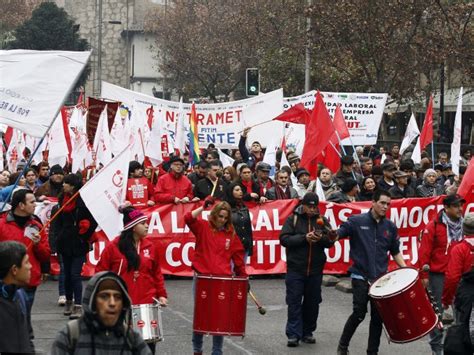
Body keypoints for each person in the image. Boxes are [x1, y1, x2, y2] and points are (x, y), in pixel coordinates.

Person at [336, 190, 407, 355]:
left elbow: (395, 252)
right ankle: (343, 346)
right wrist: (332, 235)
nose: (385, 207)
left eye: (388, 204)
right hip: (360, 276)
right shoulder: (356, 221)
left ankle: (372, 352)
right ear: (373, 202)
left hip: (381, 280)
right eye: (382, 203)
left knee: (377, 318)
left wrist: (406, 271)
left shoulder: (390, 226)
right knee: (359, 314)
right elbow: (338, 234)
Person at [96, 206, 168, 354]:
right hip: (121, 305)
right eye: (143, 223)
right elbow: (100, 272)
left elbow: (157, 273)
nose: (147, 225)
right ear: (133, 227)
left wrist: (162, 295)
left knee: (148, 346)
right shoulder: (114, 247)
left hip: (146, 302)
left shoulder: (150, 246)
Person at [185, 201, 247, 355]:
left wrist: (244, 279)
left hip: (222, 280)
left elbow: (239, 259)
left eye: (225, 218)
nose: (222, 220)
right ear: (214, 215)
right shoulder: (203, 227)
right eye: (220, 216)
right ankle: (197, 350)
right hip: (203, 278)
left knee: (219, 316)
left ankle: (217, 351)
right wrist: (203, 206)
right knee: (200, 314)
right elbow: (188, 218)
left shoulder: (231, 234)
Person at [280, 192, 336, 347]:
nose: (311, 209)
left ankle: (307, 332)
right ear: (302, 205)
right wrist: (304, 238)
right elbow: (284, 239)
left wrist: (323, 238)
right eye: (309, 206)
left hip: (315, 270)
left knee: (313, 303)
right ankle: (293, 334)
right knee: (294, 302)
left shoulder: (322, 220)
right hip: (296, 269)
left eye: (314, 206)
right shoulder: (293, 219)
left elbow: (330, 242)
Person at [51, 271, 152, 355]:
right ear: (92, 301)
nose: (112, 303)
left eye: (117, 297)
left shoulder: (132, 338)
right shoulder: (70, 335)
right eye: (104, 296)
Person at [419, 194, 466, 355]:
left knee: (461, 311)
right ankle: (436, 347)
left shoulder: (464, 225)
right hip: (438, 275)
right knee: (437, 312)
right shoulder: (433, 226)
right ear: (446, 208)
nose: (460, 209)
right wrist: (424, 276)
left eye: (461, 205)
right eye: (456, 206)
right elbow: (424, 252)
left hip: (460, 275)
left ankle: (460, 345)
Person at [0, 189, 50, 319]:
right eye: (32, 202)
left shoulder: (37, 226)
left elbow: (45, 255)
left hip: (28, 281)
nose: (35, 204)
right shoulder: (2, 225)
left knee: (24, 318)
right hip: (5, 281)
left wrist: (38, 244)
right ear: (21, 205)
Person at [55, 173, 98, 319]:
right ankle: (68, 300)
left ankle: (78, 305)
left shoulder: (83, 200)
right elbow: (58, 221)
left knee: (75, 274)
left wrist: (84, 235)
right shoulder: (62, 199)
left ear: (73, 185)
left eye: (66, 183)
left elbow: (93, 220)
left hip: (79, 242)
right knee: (66, 274)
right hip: (65, 241)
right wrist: (57, 238)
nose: (63, 185)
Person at [0, 241, 34, 354]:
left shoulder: (21, 296)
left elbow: (28, 336)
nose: (31, 266)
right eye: (27, 262)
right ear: (14, 270)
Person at [442, 213, 474, 309]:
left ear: (463, 229)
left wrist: (446, 300)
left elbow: (452, 278)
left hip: (465, 298)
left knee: (462, 323)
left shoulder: (459, 249)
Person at [225, 182, 254, 260]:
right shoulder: (226, 207)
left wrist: (249, 246)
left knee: (241, 270)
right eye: (237, 190)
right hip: (231, 247)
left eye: (240, 189)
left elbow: (248, 229)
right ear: (231, 192)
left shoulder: (244, 207)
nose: (240, 191)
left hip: (244, 246)